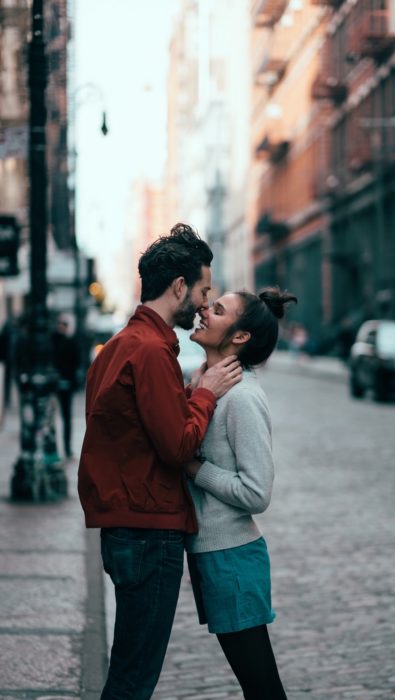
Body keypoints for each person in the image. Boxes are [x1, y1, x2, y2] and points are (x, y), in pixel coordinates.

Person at [78, 223, 242, 700]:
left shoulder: (121, 346)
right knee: (134, 679)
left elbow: (134, 431)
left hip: (127, 525)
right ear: (178, 287)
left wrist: (187, 395)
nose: (204, 302)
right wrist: (207, 394)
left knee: (129, 670)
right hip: (149, 530)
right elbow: (176, 447)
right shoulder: (150, 351)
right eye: (203, 290)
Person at [184, 287, 296, 700]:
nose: (203, 313)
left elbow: (257, 492)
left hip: (232, 557)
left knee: (262, 687)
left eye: (216, 310)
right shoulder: (209, 386)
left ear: (240, 336)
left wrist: (196, 469)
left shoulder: (243, 398)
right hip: (215, 554)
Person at [51, 314, 80, 457]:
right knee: (62, 416)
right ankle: (63, 448)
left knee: (63, 416)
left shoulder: (58, 342)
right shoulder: (63, 341)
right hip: (62, 383)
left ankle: (65, 448)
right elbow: (77, 362)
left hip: (62, 383)